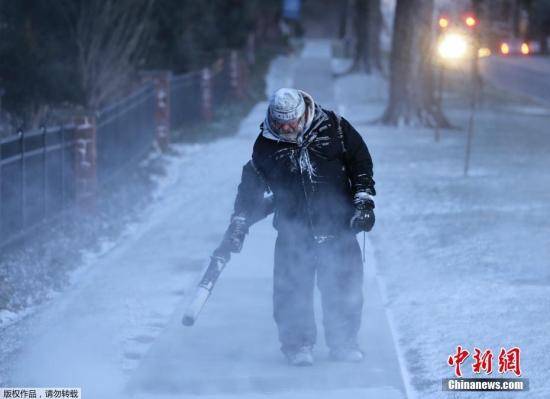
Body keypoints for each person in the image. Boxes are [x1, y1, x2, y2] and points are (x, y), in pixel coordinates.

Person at [225, 88, 375, 366]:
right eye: (279, 122)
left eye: (290, 122)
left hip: (338, 227)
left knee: (343, 287)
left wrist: (364, 202)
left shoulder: (336, 128)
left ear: (303, 114)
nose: (285, 128)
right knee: (291, 290)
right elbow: (253, 187)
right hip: (294, 233)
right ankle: (297, 345)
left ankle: (343, 342)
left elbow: (361, 163)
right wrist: (240, 221)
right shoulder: (266, 145)